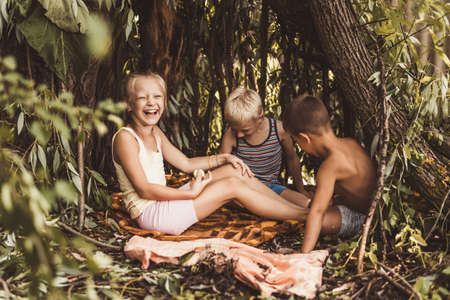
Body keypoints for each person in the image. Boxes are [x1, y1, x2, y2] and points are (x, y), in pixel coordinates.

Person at [112, 71, 308, 236]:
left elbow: (186, 164)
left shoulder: (155, 133)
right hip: (152, 215)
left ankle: (294, 210)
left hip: (165, 204)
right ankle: (304, 216)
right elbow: (145, 190)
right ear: (128, 104)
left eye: (157, 97)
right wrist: (190, 193)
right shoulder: (126, 138)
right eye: (142, 98)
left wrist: (224, 158)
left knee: (235, 170)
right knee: (232, 186)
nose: (151, 103)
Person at [283, 95, 377, 253]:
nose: (299, 146)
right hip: (375, 210)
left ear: (305, 138)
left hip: (365, 219)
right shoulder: (351, 143)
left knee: (316, 219)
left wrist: (303, 254)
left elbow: (318, 212)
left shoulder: (329, 167)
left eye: (297, 142)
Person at [220, 87, 310, 208]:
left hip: (271, 188)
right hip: (244, 188)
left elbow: (291, 158)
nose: (239, 134)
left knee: (305, 203)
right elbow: (221, 165)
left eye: (245, 130)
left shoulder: (279, 130)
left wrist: (301, 189)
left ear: (260, 118)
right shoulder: (231, 135)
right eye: (235, 129)